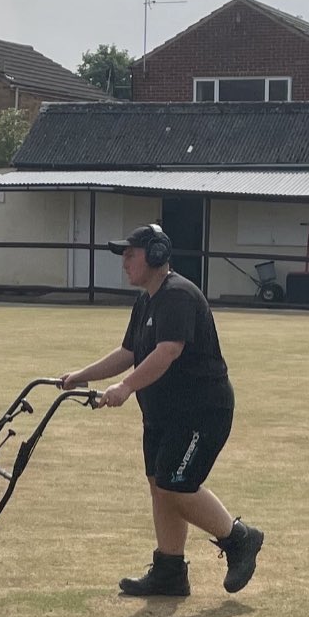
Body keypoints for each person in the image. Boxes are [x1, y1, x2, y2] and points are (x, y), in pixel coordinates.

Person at [60, 223, 264, 597]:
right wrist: (81, 375)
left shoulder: (178, 296)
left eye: (130, 254)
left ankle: (239, 539)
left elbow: (168, 351)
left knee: (175, 485)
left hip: (201, 413)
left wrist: (125, 387)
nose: (124, 262)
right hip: (163, 416)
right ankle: (170, 571)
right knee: (160, 487)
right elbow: (129, 353)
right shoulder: (147, 300)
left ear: (155, 255)